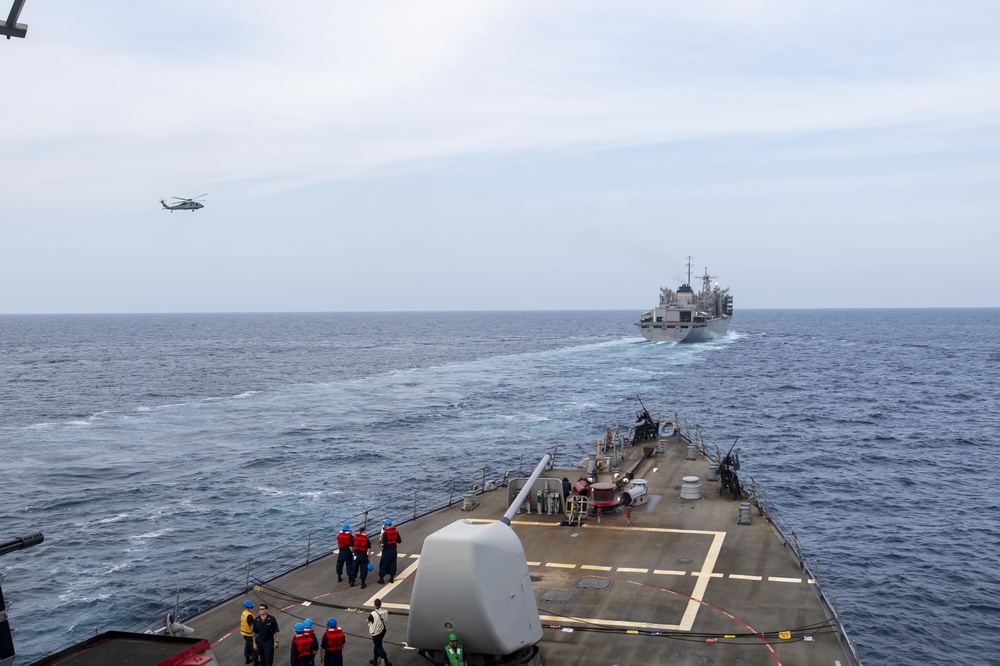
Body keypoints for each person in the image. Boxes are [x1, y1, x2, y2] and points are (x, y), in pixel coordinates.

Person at [366, 598, 390, 666]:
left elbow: (367, 621)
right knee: (377, 645)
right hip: (383, 630)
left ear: (374, 605)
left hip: (376, 632)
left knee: (378, 646)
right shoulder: (385, 611)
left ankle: (384, 659)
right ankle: (375, 659)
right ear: (380, 604)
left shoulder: (373, 613)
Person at [377, 519, 402, 584]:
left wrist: (381, 544)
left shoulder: (385, 533)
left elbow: (384, 543)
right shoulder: (396, 532)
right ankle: (391, 577)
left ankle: (381, 578)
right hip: (393, 549)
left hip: (387, 549)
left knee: (383, 563)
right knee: (393, 563)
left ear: (386, 525)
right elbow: (399, 541)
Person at [240, 600, 257, 665]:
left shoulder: (244, 613)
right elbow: (252, 626)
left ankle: (247, 659)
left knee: (247, 646)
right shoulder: (249, 615)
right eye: (251, 607)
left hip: (245, 634)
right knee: (254, 647)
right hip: (250, 634)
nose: (252, 608)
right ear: (248, 608)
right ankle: (255, 661)